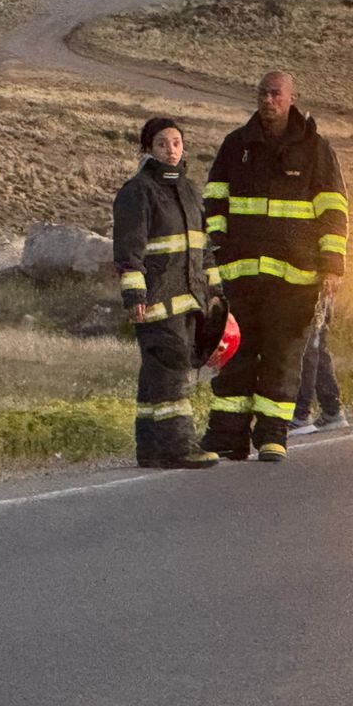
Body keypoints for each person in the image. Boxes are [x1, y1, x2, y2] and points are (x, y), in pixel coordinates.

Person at [200, 71, 347, 463]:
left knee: (282, 358)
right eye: (262, 93)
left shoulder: (315, 149)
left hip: (296, 279)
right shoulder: (236, 145)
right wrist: (219, 250)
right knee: (235, 357)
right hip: (242, 277)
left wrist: (331, 267)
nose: (268, 100)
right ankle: (227, 437)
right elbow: (214, 200)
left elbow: (333, 211)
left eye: (275, 94)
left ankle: (272, 437)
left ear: (291, 97)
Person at [113, 116, 222, 469]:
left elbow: (203, 249)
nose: (171, 150)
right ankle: (179, 445)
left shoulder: (189, 192)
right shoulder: (137, 192)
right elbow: (129, 251)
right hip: (157, 302)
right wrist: (135, 297)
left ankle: (150, 447)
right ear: (147, 149)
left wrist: (214, 290)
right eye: (162, 144)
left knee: (154, 377)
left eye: (176, 142)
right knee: (174, 371)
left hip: (189, 299)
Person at [290, 302, 349, 435]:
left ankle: (300, 415)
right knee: (316, 344)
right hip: (323, 290)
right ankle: (332, 411)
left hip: (309, 292)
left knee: (306, 344)